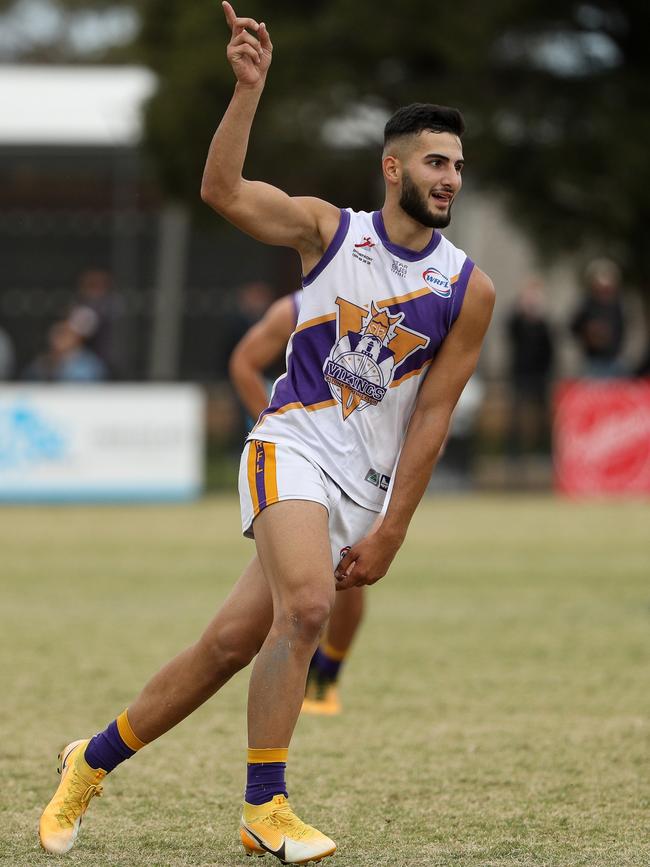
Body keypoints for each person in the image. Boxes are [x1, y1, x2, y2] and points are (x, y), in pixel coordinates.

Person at [38, 4, 495, 864]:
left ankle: (88, 760)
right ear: (392, 167)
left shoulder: (468, 289)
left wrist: (393, 525)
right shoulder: (330, 230)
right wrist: (247, 90)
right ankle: (265, 805)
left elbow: (432, 417)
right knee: (313, 606)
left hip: (360, 494)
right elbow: (221, 192)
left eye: (459, 166)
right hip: (290, 445)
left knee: (227, 645)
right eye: (436, 162)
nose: (450, 178)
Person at [229, 288, 365, 715]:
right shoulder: (300, 305)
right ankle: (308, 671)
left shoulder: (391, 299)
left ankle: (328, 673)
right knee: (302, 585)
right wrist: (275, 426)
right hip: (299, 460)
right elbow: (244, 363)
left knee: (351, 571)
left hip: (359, 467)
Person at [506, 277, 554, 462]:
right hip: (520, 372)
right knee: (517, 412)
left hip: (539, 374)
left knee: (542, 412)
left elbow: (550, 349)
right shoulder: (519, 322)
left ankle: (543, 448)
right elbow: (510, 330)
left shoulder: (543, 325)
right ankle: (514, 450)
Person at [570, 258, 626, 378]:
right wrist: (588, 333)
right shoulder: (587, 304)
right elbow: (573, 327)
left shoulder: (617, 305)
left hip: (613, 360)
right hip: (592, 361)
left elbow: (621, 329)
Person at [22, 321, 107, 383]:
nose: (58, 341)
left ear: (76, 340)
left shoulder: (89, 365)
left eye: (64, 336)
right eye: (56, 336)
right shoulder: (43, 362)